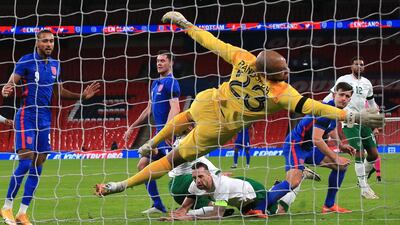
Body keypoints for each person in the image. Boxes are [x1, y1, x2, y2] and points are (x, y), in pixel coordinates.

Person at [94, 11, 384, 198]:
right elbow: (315, 107)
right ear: (273, 74)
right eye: (283, 69)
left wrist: (185, 24)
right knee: (172, 159)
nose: (287, 71)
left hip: (209, 100)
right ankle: (122, 184)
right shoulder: (281, 92)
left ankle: (150, 144)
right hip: (218, 127)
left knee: (183, 116)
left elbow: (210, 41)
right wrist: (349, 114)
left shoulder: (245, 58)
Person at [0, 29, 100, 225]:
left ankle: (22, 213)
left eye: (52, 42)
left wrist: (81, 96)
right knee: (26, 161)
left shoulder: (56, 65)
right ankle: (6, 208)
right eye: (45, 41)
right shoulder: (26, 60)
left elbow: (59, 91)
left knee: (39, 164)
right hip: (26, 115)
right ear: (37, 43)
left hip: (45, 118)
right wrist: (7, 87)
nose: (49, 45)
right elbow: (12, 81)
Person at [266, 82, 356, 214]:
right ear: (334, 94)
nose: (344, 98)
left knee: (341, 167)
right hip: (295, 145)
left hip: (307, 148)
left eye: (347, 96)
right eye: (341, 94)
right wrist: (335, 157)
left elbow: (330, 130)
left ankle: (329, 205)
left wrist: (341, 145)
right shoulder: (326, 110)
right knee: (293, 182)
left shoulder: (336, 112)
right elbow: (317, 139)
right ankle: (260, 204)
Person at [123, 50, 181, 214]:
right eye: (157, 61)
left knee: (180, 172)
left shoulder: (171, 82)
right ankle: (158, 205)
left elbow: (175, 108)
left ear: (171, 63)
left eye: (163, 60)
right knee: (142, 165)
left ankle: (202, 201)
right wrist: (132, 126)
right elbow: (148, 109)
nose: (159, 63)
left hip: (168, 136)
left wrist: (169, 130)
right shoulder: (155, 83)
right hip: (158, 136)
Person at [323, 57, 380, 199]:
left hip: (364, 120)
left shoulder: (367, 83)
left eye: (362, 64)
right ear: (351, 66)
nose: (359, 66)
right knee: (359, 152)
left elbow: (372, 104)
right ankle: (364, 187)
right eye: (356, 64)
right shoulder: (344, 79)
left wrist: (376, 124)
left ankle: (362, 180)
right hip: (348, 119)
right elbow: (332, 95)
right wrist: (321, 105)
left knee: (373, 154)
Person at [161, 162, 268, 221]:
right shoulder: (195, 184)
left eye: (201, 176)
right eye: (194, 177)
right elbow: (185, 206)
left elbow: (218, 214)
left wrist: (190, 217)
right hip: (242, 204)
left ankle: (281, 186)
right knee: (245, 213)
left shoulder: (222, 184)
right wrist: (179, 213)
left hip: (256, 193)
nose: (197, 181)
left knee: (275, 210)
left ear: (209, 175)